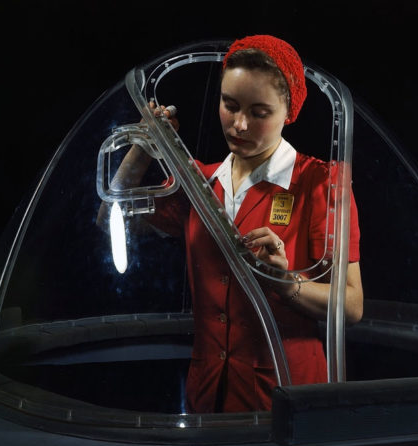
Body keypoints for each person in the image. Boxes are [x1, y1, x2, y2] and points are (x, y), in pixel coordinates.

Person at [104, 35, 363, 413]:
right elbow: (110, 220)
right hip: (207, 396)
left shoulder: (320, 184)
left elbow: (352, 306)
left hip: (288, 397)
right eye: (230, 105)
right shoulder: (198, 183)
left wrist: (284, 281)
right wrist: (144, 144)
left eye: (260, 113)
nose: (239, 124)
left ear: (288, 112)